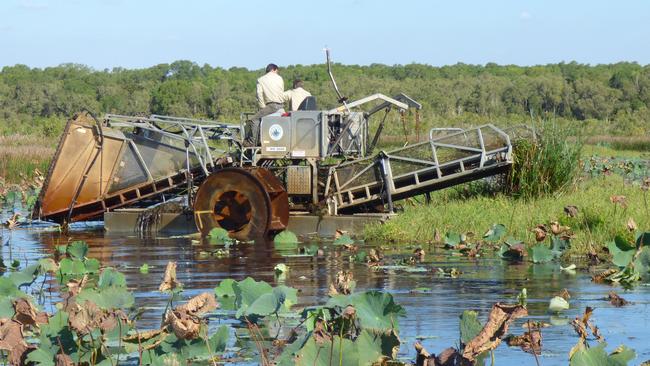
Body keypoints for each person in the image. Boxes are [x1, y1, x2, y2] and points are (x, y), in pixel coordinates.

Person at [246, 63, 284, 146]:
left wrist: (262, 106)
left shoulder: (261, 80)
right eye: (277, 71)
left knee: (254, 119)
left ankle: (253, 142)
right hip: (281, 105)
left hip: (272, 106)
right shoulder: (280, 78)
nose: (277, 73)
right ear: (274, 69)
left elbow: (259, 94)